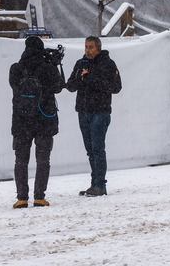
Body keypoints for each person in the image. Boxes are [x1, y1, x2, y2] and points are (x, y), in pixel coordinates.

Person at [9, 36, 64, 209]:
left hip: (21, 120)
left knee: (21, 160)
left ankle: (22, 198)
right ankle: (39, 197)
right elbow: (58, 87)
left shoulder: (16, 68)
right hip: (44, 119)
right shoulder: (47, 68)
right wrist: (54, 64)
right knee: (43, 159)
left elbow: (14, 87)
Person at [66, 36, 122, 197]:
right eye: (85, 47)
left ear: (98, 48)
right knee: (90, 150)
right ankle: (94, 183)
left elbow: (116, 87)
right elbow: (70, 86)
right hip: (83, 111)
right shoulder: (80, 64)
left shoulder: (108, 64)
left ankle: (100, 185)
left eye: (90, 47)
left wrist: (92, 79)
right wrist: (80, 78)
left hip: (100, 111)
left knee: (98, 149)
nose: (87, 51)